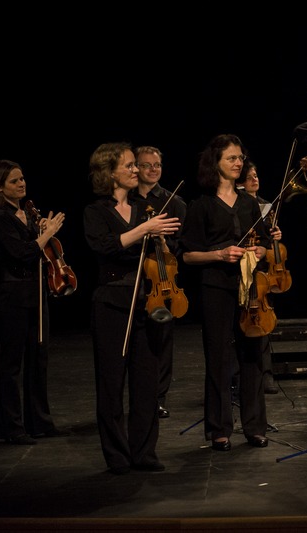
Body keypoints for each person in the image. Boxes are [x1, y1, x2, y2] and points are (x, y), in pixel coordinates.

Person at [84, 142, 181, 474]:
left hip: (146, 301)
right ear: (110, 172)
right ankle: (117, 455)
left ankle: (144, 452)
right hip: (111, 303)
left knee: (146, 382)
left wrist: (161, 240)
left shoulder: (145, 207)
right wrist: (143, 231)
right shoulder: (96, 212)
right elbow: (106, 247)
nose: (136, 171)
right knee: (111, 383)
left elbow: (159, 252)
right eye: (129, 166)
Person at [180, 134, 271, 451]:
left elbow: (264, 243)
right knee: (218, 358)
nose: (238, 163)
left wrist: (259, 250)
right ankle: (219, 429)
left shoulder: (250, 203)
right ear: (215, 163)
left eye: (240, 157)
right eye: (231, 158)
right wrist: (219, 255)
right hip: (216, 287)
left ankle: (255, 426)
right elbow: (188, 255)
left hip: (249, 288)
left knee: (252, 356)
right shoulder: (201, 205)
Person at [0, 160, 69, 445]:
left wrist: (42, 230)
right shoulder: (0, 218)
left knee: (39, 358)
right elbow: (20, 253)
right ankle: (11, 427)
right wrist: (45, 234)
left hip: (37, 292)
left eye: (22, 179)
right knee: (12, 362)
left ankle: (40, 422)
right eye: (14, 181)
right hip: (13, 294)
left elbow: (43, 252)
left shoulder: (28, 215)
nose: (21, 184)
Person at [134, 146, 187, 419]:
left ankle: (158, 397)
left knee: (162, 341)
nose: (153, 170)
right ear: (135, 168)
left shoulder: (174, 203)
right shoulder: (127, 200)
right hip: (132, 283)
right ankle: (138, 396)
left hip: (161, 283)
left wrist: (164, 244)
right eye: (146, 165)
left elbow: (180, 246)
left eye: (157, 165)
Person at [237, 160, 281, 395]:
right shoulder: (238, 204)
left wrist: (275, 234)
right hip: (243, 266)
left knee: (263, 322)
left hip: (262, 268)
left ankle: (266, 375)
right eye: (250, 177)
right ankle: (239, 375)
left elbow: (268, 238)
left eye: (256, 175)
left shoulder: (265, 205)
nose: (255, 180)